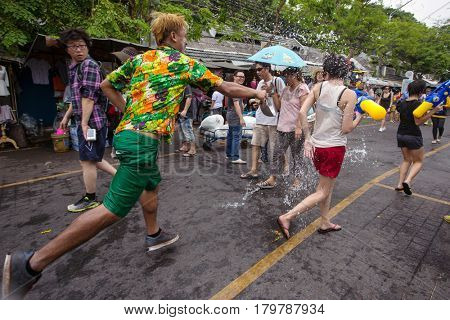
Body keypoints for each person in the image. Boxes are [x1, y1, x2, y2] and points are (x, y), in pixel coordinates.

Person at [2, 12, 267, 300]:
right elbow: (226, 87)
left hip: (130, 136)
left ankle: (154, 234)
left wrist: (128, 111)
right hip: (142, 142)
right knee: (112, 210)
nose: (186, 40)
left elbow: (106, 86)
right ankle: (29, 265)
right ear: (175, 36)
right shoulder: (182, 63)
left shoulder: (140, 60)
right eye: (185, 35)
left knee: (151, 184)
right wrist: (261, 95)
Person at [277, 54, 363, 239]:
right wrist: (358, 118)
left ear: (326, 71)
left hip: (316, 146)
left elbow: (302, 112)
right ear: (346, 71)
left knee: (326, 188)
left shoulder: (318, 87)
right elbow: (346, 128)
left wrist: (308, 137)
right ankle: (288, 216)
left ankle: (325, 222)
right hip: (333, 148)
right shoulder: (349, 94)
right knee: (323, 191)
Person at [58, 28, 117, 213]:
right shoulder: (74, 68)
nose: (78, 50)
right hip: (85, 121)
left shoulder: (89, 66)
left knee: (87, 161)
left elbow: (89, 98)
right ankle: (124, 178)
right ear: (67, 49)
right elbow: (77, 97)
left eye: (82, 46)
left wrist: (83, 123)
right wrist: (67, 116)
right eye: (74, 46)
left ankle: (90, 198)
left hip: (92, 122)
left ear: (87, 47)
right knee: (94, 158)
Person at [256, 67, 309, 189]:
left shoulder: (302, 88)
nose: (286, 79)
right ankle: (272, 178)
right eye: (285, 76)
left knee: (296, 156)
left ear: (295, 75)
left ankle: (297, 180)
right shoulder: (285, 89)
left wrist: (299, 126)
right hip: (282, 127)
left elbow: (303, 109)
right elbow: (279, 107)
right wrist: (273, 93)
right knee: (276, 154)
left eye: (288, 76)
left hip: (295, 128)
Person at [395, 80, 443, 195]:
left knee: (407, 159)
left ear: (408, 90)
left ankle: (400, 184)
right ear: (421, 91)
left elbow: (398, 117)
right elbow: (418, 122)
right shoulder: (419, 105)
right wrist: (434, 111)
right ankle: (407, 181)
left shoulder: (401, 103)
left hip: (401, 134)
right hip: (413, 135)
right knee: (418, 161)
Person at [240, 62, 285, 179]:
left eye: (260, 69)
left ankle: (278, 171)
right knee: (255, 144)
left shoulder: (277, 81)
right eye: (257, 70)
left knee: (274, 149)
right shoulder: (260, 83)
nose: (258, 72)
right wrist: (258, 102)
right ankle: (254, 170)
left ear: (267, 69)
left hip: (274, 120)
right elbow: (259, 99)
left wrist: (272, 92)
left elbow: (281, 105)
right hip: (260, 118)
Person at [226, 71, 247, 164]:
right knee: (236, 136)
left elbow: (239, 103)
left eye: (243, 77)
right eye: (239, 76)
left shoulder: (234, 87)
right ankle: (235, 157)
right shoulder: (235, 88)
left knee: (230, 135)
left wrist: (243, 105)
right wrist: (241, 117)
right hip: (234, 115)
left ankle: (229, 154)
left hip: (230, 114)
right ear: (234, 77)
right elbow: (236, 104)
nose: (241, 78)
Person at [178, 85, 197, 156]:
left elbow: (189, 98)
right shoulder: (179, 86)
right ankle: (185, 146)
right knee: (182, 131)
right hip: (180, 111)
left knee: (188, 130)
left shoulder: (186, 86)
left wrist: (185, 110)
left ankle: (192, 149)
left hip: (187, 112)